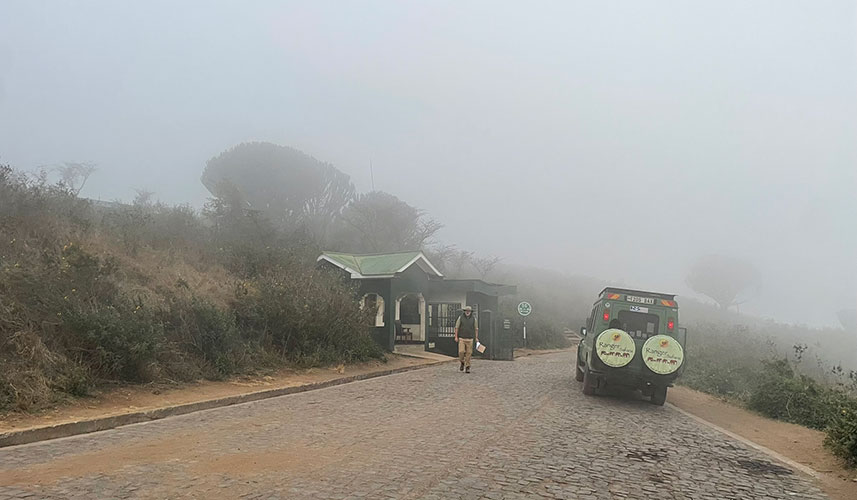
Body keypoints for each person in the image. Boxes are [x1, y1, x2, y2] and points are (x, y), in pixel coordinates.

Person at [454, 305, 478, 373]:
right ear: (464, 311)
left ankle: (467, 366)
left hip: (470, 338)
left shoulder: (474, 319)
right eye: (466, 311)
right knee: (461, 352)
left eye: (469, 311)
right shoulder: (460, 318)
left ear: (470, 312)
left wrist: (476, 337)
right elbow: (457, 327)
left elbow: (476, 329)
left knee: (469, 353)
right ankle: (462, 362)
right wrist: (456, 336)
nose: (467, 312)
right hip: (462, 338)